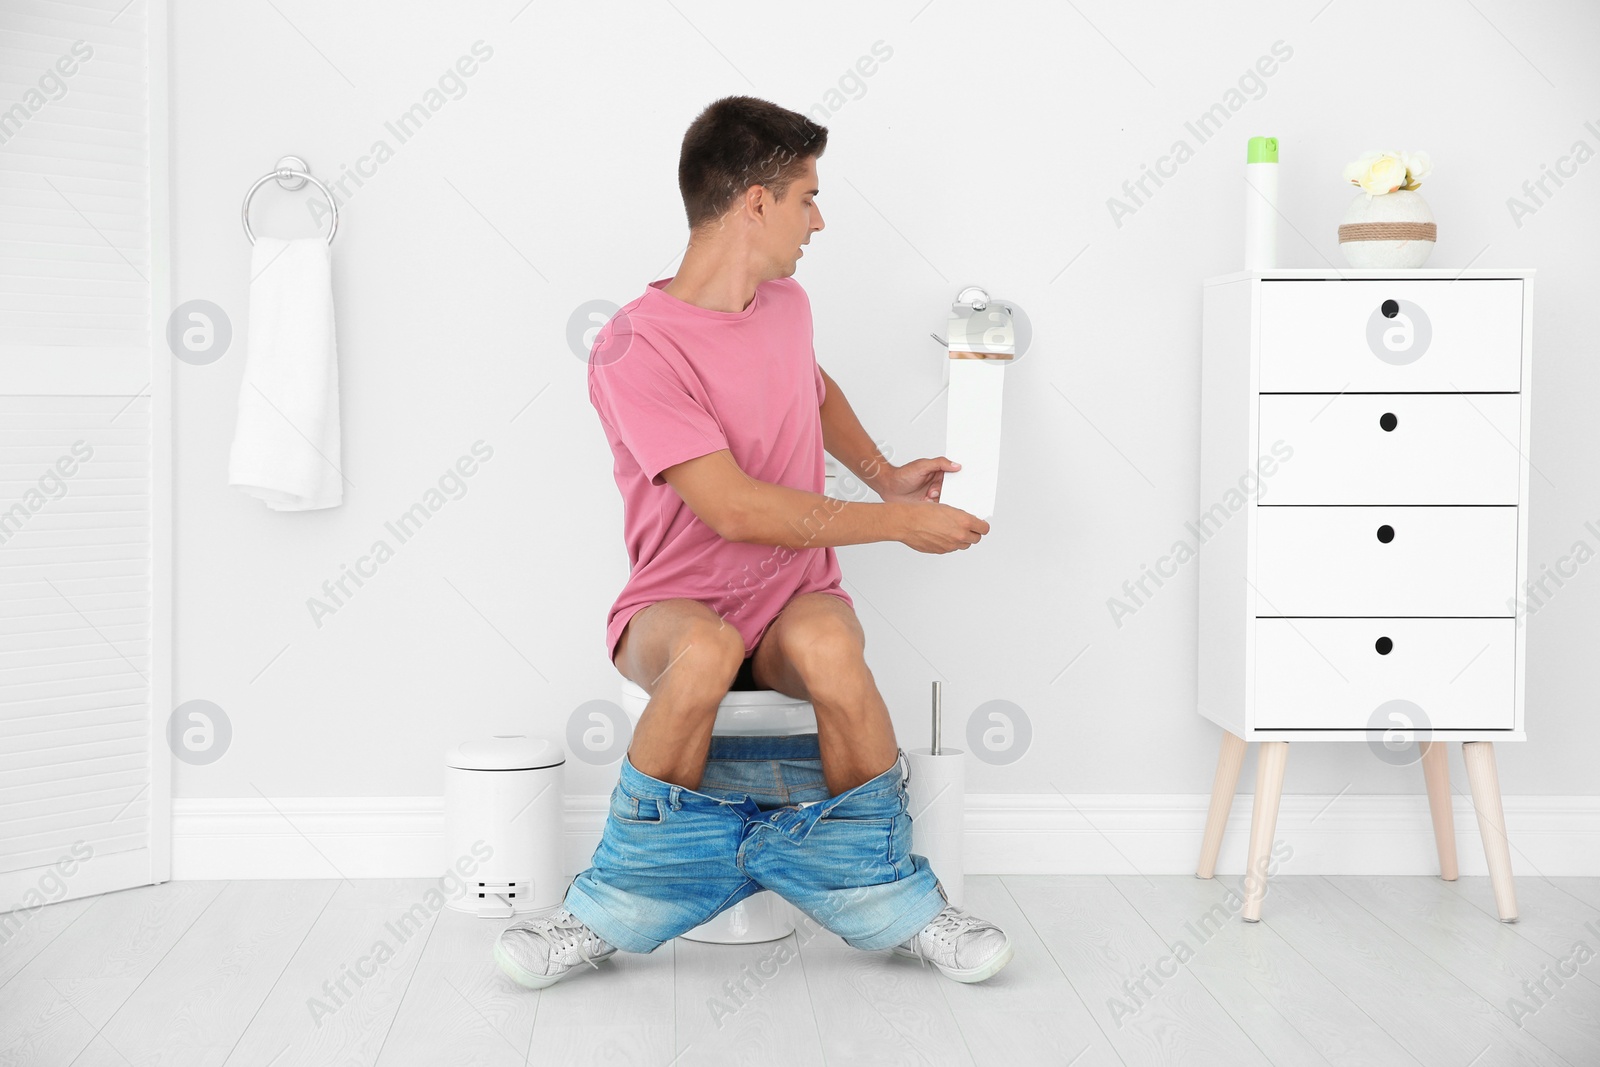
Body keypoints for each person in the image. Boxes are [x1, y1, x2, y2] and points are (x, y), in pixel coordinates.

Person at [495, 95, 1012, 990]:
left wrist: (884, 473)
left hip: (788, 601)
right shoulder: (632, 346)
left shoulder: (787, 304)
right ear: (756, 203)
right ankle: (605, 907)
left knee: (831, 646)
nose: (820, 218)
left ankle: (896, 901)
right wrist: (895, 522)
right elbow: (732, 508)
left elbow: (811, 390)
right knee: (704, 649)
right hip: (671, 607)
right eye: (807, 196)